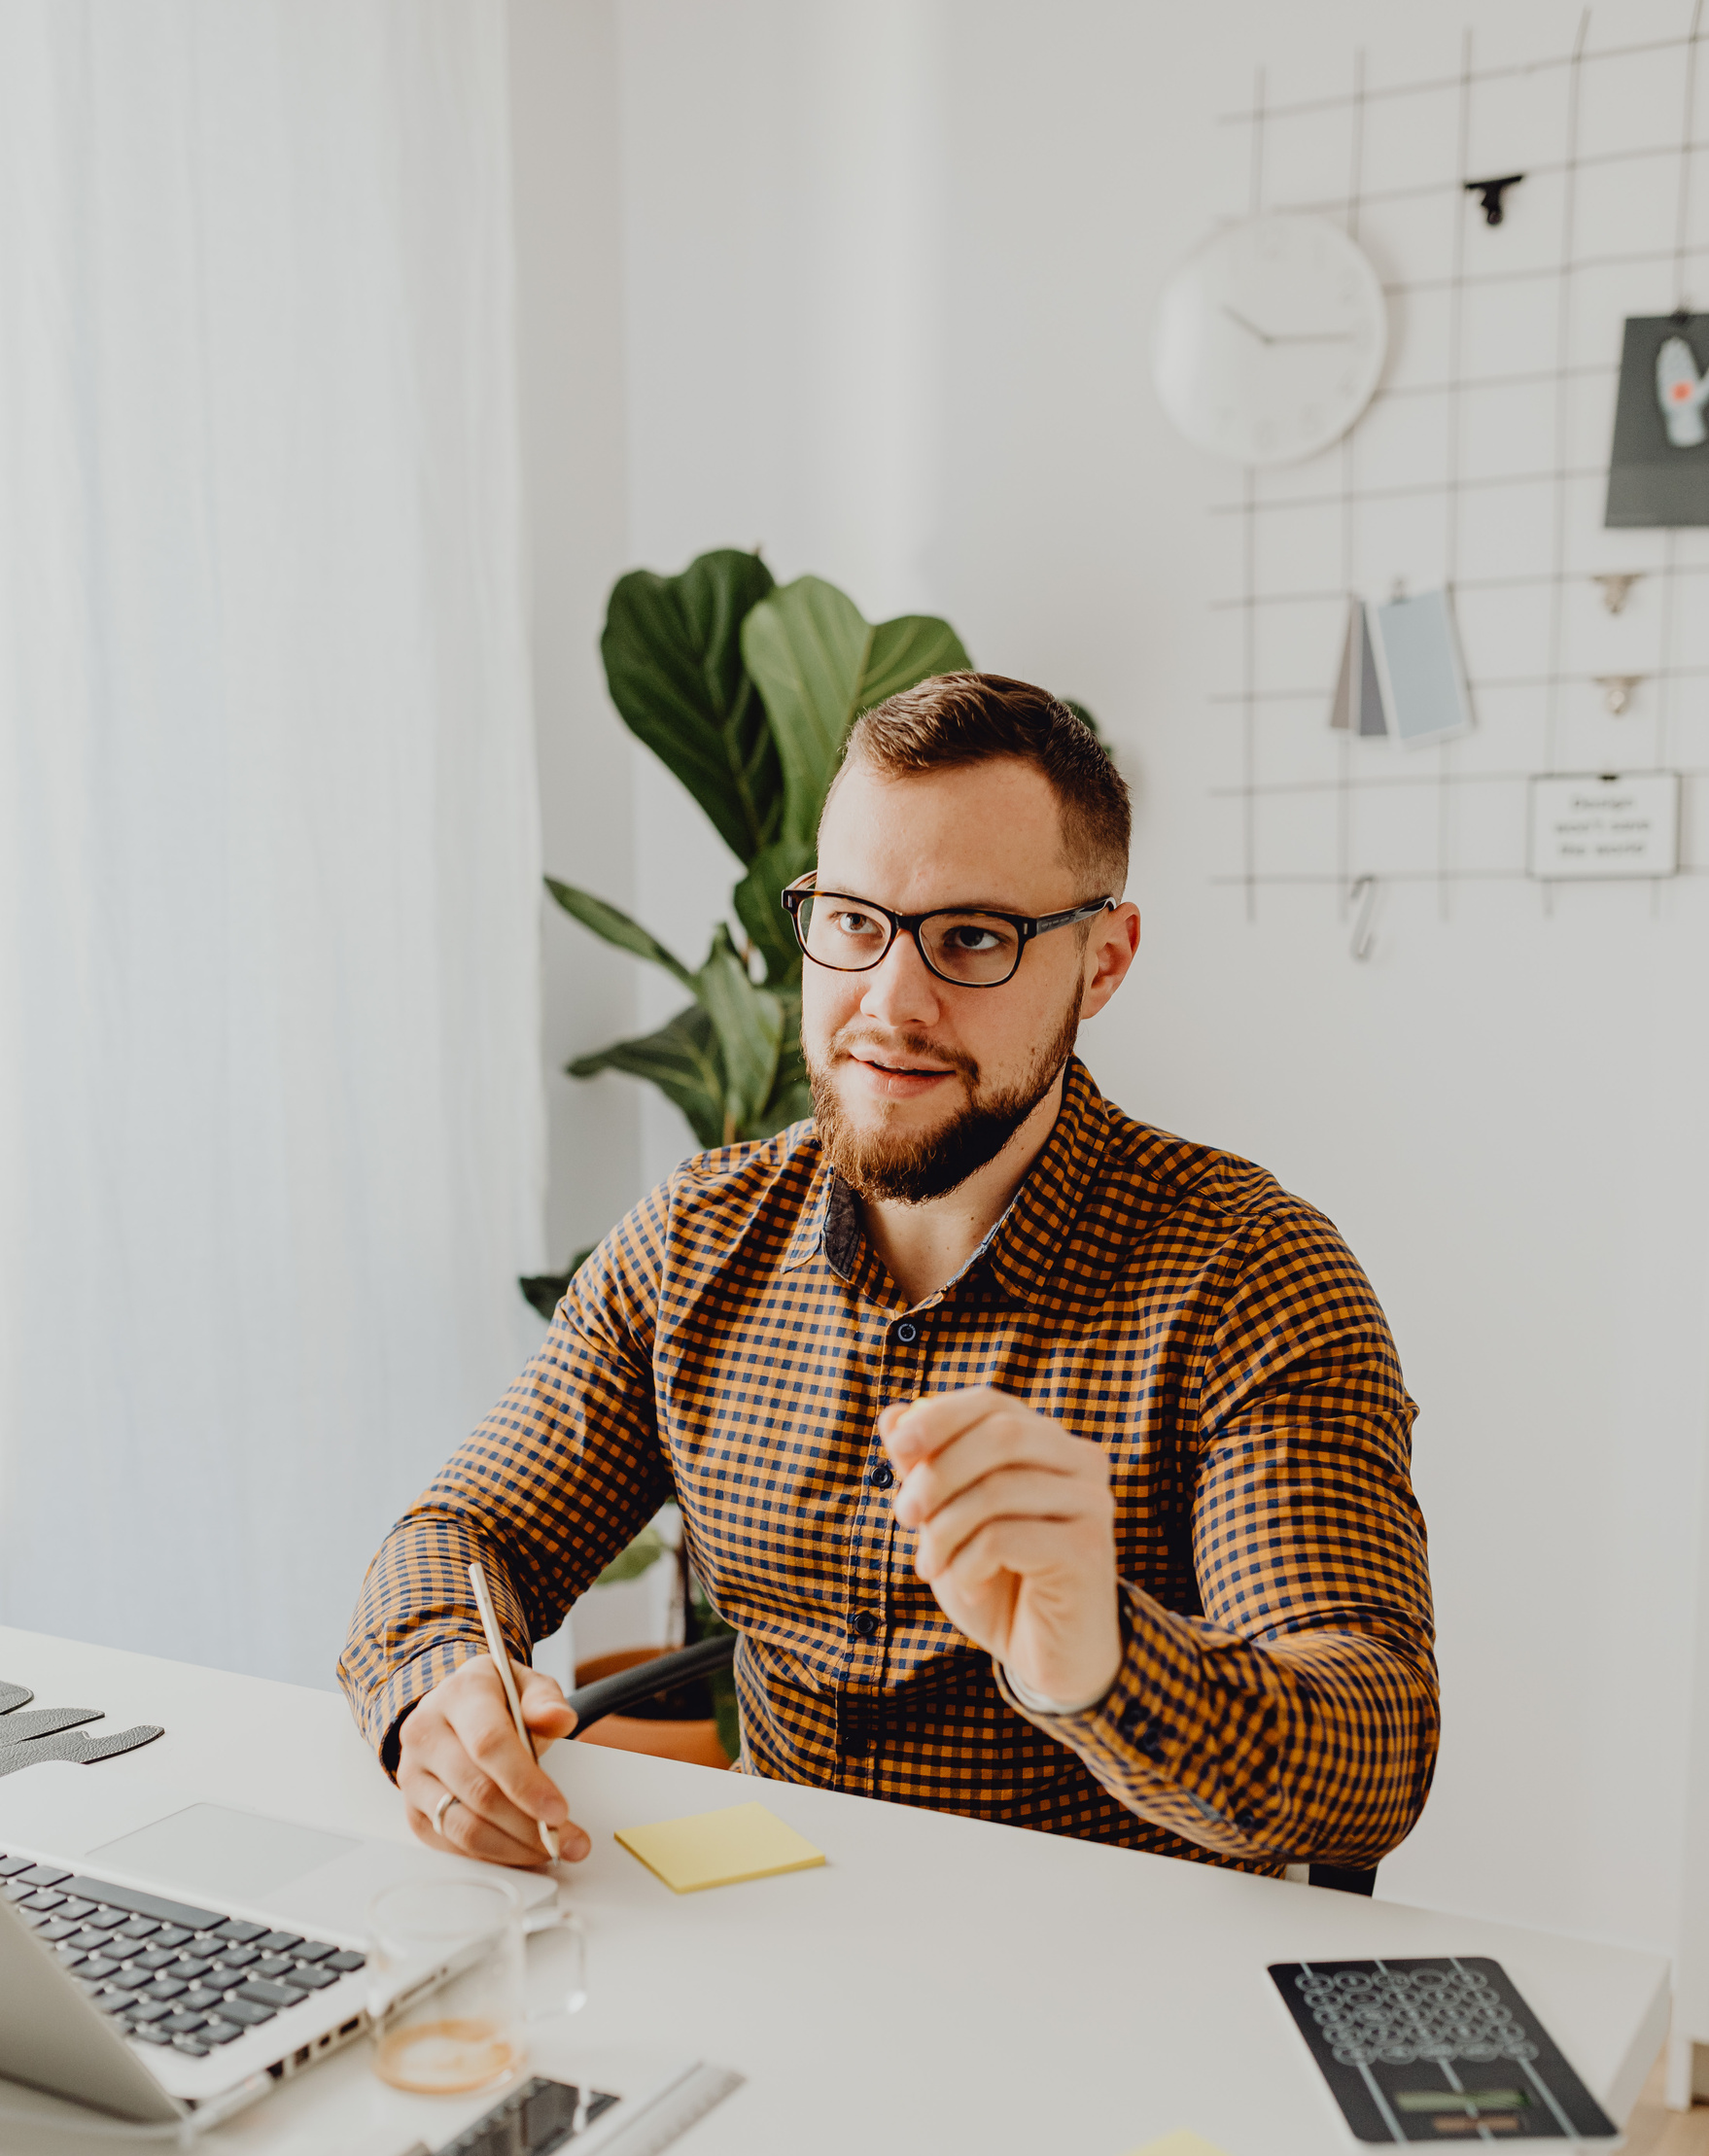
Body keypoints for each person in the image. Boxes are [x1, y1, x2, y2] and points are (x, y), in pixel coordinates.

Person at [339, 674, 1437, 1878]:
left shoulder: (1251, 1275)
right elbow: (465, 1530)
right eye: (856, 923)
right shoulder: (697, 1239)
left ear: (1103, 962)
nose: (890, 1002)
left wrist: (1105, 1655)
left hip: (1110, 1997)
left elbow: (1370, 1742)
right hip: (778, 1945)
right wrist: (441, 1685)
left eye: (972, 938)